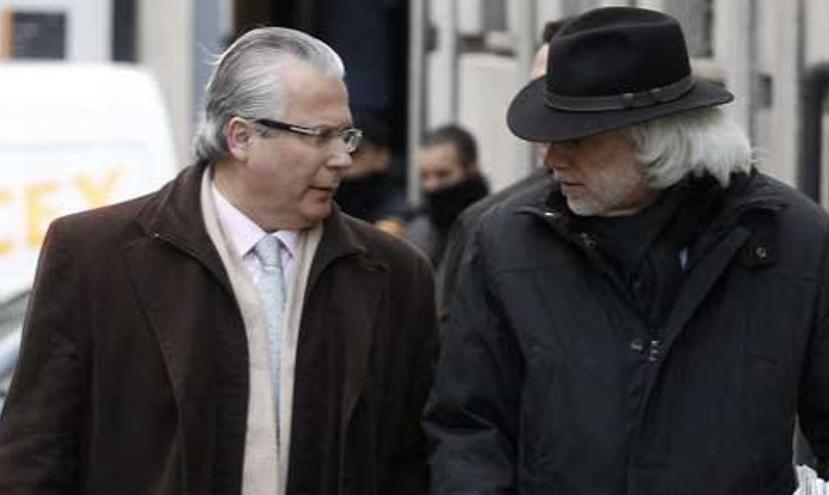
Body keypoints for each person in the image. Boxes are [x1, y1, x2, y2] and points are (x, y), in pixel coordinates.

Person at [424, 7, 829, 495]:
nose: (551, 158)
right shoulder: (505, 242)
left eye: (577, 139)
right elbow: (468, 430)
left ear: (659, 141)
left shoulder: (797, 241)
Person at [0, 27, 436, 495]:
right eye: (319, 136)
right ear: (241, 137)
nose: (341, 159)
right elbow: (34, 453)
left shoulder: (395, 274)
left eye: (346, 136)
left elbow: (413, 460)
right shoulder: (94, 255)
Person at [436, 17, 571, 318]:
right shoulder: (484, 227)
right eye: (535, 90)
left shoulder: (686, 220)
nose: (541, 108)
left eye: (557, 91)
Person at [404, 124, 488, 266]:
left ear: (471, 170)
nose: (431, 185)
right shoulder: (419, 231)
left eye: (443, 174)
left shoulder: (495, 226)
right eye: (424, 176)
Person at [334, 109, 409, 230]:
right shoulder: (320, 208)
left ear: (383, 157)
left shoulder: (397, 216)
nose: (344, 161)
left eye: (355, 153)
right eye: (337, 153)